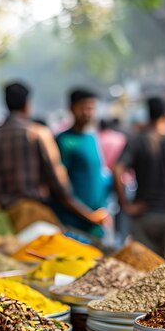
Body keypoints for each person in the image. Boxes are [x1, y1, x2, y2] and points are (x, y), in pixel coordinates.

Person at [0, 83, 108, 232]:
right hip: (34, 218)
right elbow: (59, 185)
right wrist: (88, 215)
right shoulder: (38, 134)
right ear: (27, 105)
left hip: (3, 220)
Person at [113, 97, 165, 256]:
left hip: (145, 214)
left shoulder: (137, 141)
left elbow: (117, 169)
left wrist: (125, 205)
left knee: (147, 269)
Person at [54, 89, 111, 236]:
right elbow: (61, 187)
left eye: (91, 108)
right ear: (71, 108)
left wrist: (102, 212)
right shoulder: (64, 141)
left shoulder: (92, 138)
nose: (87, 112)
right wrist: (88, 215)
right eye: (83, 107)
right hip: (74, 224)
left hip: (96, 224)